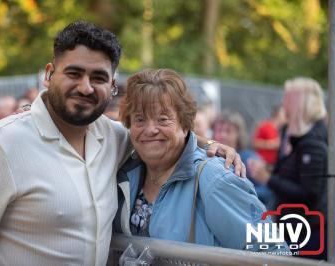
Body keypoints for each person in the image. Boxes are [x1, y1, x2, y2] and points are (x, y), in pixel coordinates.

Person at [0, 22, 243, 266]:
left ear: (111, 88)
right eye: (74, 73)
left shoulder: (112, 137)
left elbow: (273, 249)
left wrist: (210, 143)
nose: (85, 86)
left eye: (97, 77)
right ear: (48, 74)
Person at [114, 69, 288, 253]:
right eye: (139, 119)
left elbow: (275, 252)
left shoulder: (214, 178)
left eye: (163, 119)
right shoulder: (125, 171)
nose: (150, 129)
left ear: (185, 124)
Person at [248, 77, 328, 260]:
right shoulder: (288, 132)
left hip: (309, 229)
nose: (283, 105)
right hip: (289, 225)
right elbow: (288, 172)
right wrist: (266, 169)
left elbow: (309, 192)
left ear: (301, 103)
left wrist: (267, 178)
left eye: (288, 99)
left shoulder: (314, 142)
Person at [212, 110, 275, 209]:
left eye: (228, 131)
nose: (222, 135)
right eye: (219, 130)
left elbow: (268, 190)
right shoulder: (210, 158)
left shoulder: (249, 158)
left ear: (238, 135)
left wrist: (240, 194)